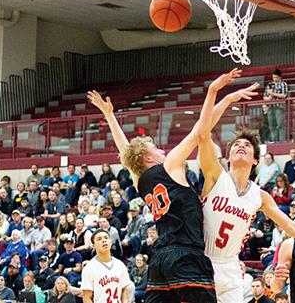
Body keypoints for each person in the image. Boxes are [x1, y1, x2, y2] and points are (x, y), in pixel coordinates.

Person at [87, 71, 253, 302]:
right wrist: (216, 94)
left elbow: (126, 152)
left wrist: (109, 115)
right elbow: (200, 130)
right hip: (186, 254)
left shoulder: (140, 179)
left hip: (160, 259)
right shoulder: (170, 165)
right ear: (147, 157)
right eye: (155, 148)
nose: (162, 150)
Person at [196, 69, 295, 303]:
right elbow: (202, 133)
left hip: (229, 267)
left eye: (247, 146)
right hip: (201, 261)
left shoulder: (259, 196)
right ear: (227, 157)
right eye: (236, 145)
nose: (240, 146)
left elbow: (292, 228)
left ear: (256, 160)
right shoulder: (215, 176)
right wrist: (217, 93)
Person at [81, 229, 133, 303]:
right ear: (93, 245)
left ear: (110, 242)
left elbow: (124, 290)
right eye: (99, 239)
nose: (104, 240)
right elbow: (86, 297)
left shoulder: (120, 264)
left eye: (106, 238)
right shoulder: (89, 268)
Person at [264, 68, 288, 142]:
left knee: (280, 125)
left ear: (280, 77)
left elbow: (284, 95)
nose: (274, 79)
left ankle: (281, 141)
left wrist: (272, 93)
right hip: (270, 107)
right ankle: (274, 141)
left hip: (279, 107)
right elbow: (265, 97)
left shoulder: (283, 84)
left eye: (276, 77)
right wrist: (269, 98)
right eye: (273, 77)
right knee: (272, 126)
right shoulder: (269, 85)